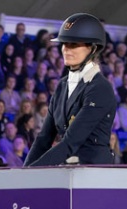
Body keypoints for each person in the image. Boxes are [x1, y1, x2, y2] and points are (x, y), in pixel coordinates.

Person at [25, 13, 116, 166]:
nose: (66, 49)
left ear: (92, 49)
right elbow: (43, 139)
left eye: (74, 45)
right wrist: (23, 172)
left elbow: (70, 142)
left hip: (93, 171)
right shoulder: (61, 86)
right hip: (66, 170)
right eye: (64, 44)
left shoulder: (100, 88)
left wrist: (30, 174)